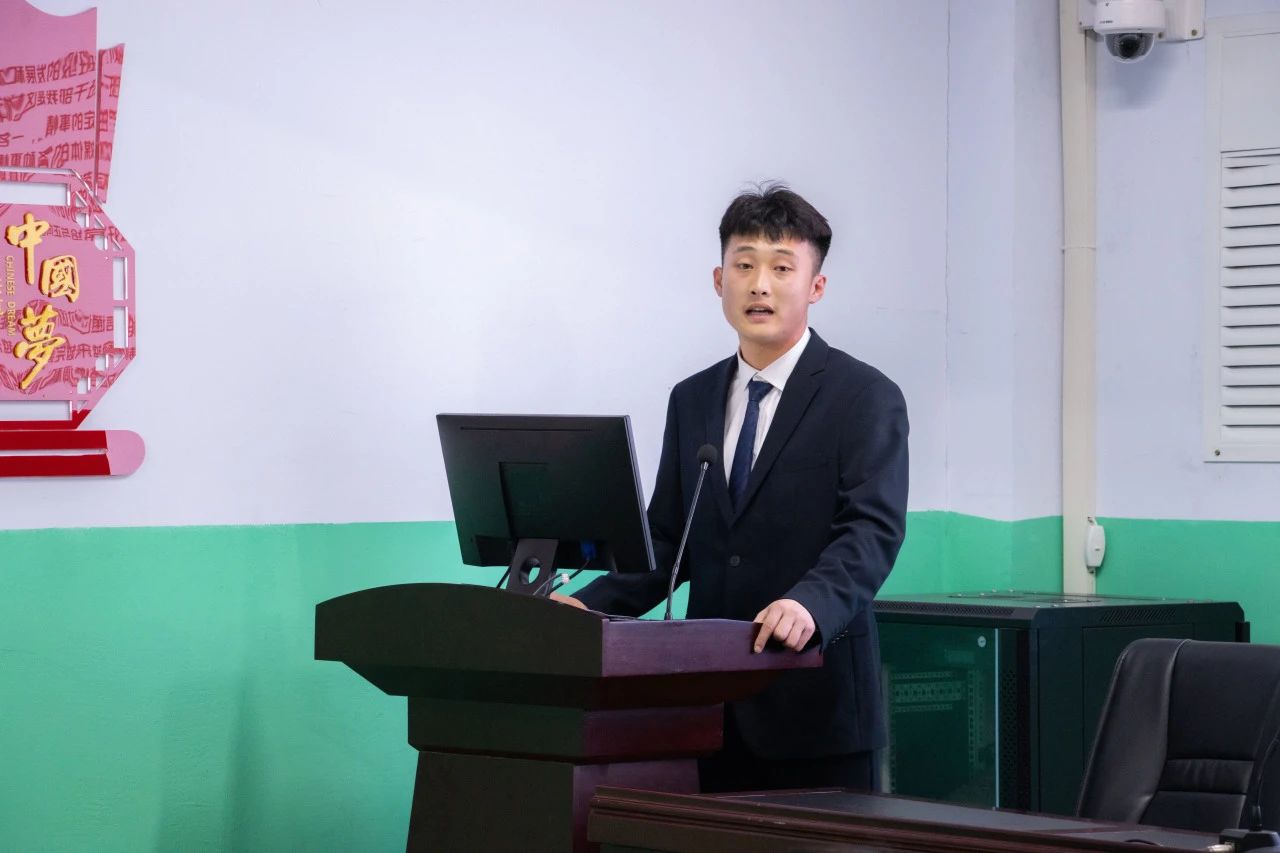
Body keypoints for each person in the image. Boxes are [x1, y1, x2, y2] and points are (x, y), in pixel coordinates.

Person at [553, 182, 909, 793]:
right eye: (744, 266)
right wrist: (588, 607)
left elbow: (871, 531)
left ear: (816, 286)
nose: (759, 285)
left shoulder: (864, 396)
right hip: (708, 705)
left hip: (813, 704)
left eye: (781, 268)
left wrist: (810, 604)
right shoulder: (692, 398)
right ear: (719, 280)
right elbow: (669, 538)